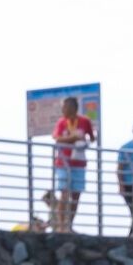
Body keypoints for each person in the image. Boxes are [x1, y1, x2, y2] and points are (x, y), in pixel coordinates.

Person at [51, 96, 94, 233]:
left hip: (79, 163)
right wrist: (73, 138)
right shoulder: (61, 122)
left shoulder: (85, 121)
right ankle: (61, 225)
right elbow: (57, 138)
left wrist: (83, 141)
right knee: (64, 192)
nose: (62, 110)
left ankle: (69, 224)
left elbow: (92, 138)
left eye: (64, 107)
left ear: (72, 108)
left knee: (76, 196)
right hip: (63, 162)